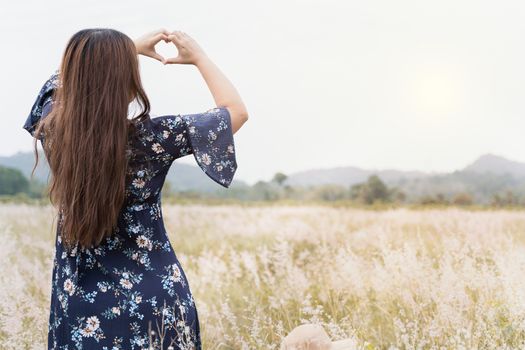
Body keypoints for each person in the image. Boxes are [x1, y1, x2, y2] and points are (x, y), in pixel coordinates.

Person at [22, 28, 249, 350]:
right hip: (157, 304)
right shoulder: (155, 137)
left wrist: (123, 49)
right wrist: (199, 58)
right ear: (127, 82)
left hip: (81, 308)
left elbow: (53, 87)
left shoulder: (55, 132)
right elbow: (235, 111)